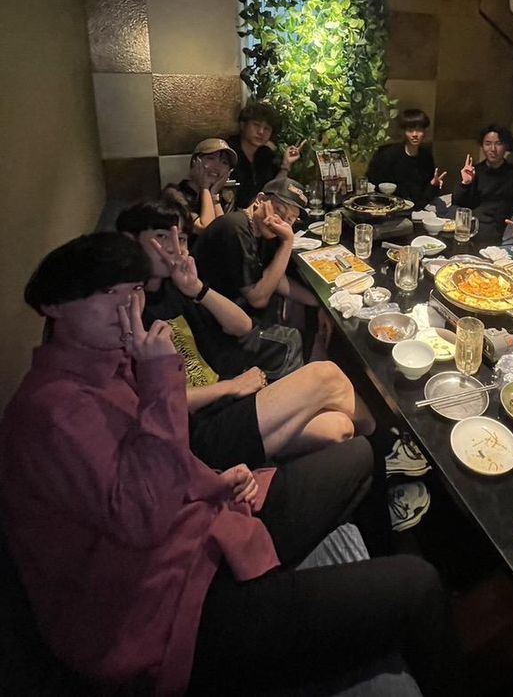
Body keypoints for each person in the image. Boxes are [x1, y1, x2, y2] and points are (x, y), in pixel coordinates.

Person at [0, 233, 462, 695]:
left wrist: (212, 481)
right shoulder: (53, 413)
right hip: (168, 612)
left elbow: (161, 459)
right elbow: (143, 515)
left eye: (135, 289)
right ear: (54, 306)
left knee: (359, 452)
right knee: (420, 584)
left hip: (202, 534)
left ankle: (375, 585)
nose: (127, 306)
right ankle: (385, 608)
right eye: (107, 292)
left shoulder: (109, 363)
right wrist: (160, 377)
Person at [117, 200, 375, 469]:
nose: (174, 247)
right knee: (326, 375)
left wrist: (197, 289)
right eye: (161, 236)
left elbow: (243, 327)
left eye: (181, 238)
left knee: (338, 427)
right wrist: (233, 386)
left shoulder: (175, 287)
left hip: (227, 400)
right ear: (130, 241)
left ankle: (374, 454)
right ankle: (386, 445)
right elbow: (159, 398)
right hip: (201, 431)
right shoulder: (129, 308)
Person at [193, 176, 332, 371]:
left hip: (238, 317)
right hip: (215, 332)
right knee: (311, 349)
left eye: (290, 219)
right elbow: (258, 298)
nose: (281, 221)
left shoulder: (264, 230)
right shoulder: (235, 228)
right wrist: (287, 242)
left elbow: (276, 279)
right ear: (260, 200)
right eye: (278, 210)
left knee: (306, 323)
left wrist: (321, 304)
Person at [453, 123, 513, 241]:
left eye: (498, 143)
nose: (493, 149)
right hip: (468, 228)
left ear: (506, 146)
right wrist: (465, 183)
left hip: (492, 233)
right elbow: (458, 203)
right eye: (488, 144)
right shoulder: (474, 171)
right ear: (482, 146)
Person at [226, 99, 306, 208]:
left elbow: (273, 191)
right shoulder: (227, 152)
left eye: (267, 129)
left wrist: (286, 164)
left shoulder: (266, 154)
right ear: (243, 125)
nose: (261, 132)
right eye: (256, 125)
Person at [367, 108, 447, 208]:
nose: (415, 134)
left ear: (424, 131)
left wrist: (433, 185)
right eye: (410, 130)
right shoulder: (388, 155)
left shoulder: (426, 157)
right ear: (404, 132)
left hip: (417, 208)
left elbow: (424, 198)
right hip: (387, 207)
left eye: (419, 130)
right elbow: (373, 184)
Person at [162, 137, 237, 238]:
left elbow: (225, 235)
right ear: (195, 162)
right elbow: (206, 228)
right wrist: (205, 187)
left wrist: (214, 196)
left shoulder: (225, 197)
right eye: (211, 158)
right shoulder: (175, 194)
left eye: (224, 162)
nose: (217, 166)